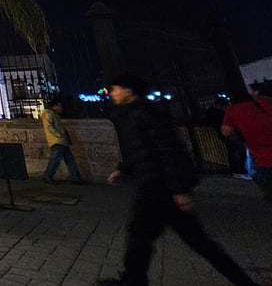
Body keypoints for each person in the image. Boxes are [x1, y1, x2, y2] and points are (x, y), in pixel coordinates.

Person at [97, 73, 257, 286]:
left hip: (160, 189)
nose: (112, 93)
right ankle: (134, 279)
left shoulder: (146, 114)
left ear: (128, 90)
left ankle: (242, 281)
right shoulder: (132, 114)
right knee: (142, 238)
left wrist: (180, 190)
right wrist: (123, 169)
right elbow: (141, 150)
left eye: (115, 89)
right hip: (154, 186)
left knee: (192, 241)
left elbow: (169, 151)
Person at [221, 81, 272, 202]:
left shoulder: (234, 110)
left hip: (261, 157)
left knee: (257, 173)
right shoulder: (267, 105)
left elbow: (226, 132)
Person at [40, 98, 86, 185]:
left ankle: (75, 178)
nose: (61, 108)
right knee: (57, 160)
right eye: (60, 106)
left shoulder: (52, 114)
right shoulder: (49, 114)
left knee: (68, 159)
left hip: (61, 140)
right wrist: (60, 135)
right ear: (55, 106)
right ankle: (48, 176)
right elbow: (50, 127)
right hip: (58, 141)